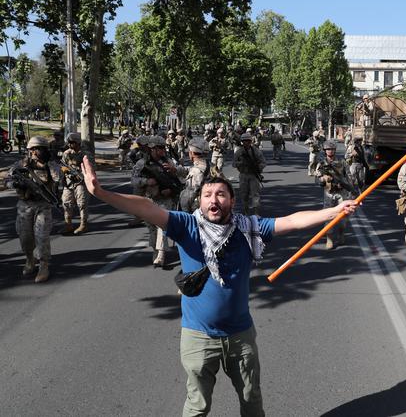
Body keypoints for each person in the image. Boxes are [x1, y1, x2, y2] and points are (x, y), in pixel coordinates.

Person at [80, 155, 357, 417]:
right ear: (199, 201)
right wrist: (103, 194)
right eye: (208, 195)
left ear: (232, 200)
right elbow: (146, 207)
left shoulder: (249, 227)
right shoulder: (187, 226)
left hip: (240, 337)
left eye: (221, 195)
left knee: (251, 401)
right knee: (197, 406)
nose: (214, 201)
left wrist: (333, 210)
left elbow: (292, 221)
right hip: (198, 338)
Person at [5, 136, 63, 283]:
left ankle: (43, 265)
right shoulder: (22, 164)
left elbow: (58, 179)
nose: (35, 152)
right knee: (25, 237)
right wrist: (16, 184)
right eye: (33, 149)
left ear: (44, 149)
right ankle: (30, 259)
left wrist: (49, 168)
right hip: (25, 206)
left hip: (43, 205)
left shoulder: (51, 165)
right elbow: (7, 179)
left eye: (38, 149)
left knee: (42, 236)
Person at [132, 135, 183, 267]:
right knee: (152, 227)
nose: (162, 150)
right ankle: (156, 250)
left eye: (163, 148)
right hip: (149, 199)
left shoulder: (169, 162)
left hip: (165, 199)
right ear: (152, 149)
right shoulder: (142, 163)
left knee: (162, 225)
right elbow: (134, 180)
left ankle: (161, 254)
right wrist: (146, 181)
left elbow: (180, 180)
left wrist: (170, 190)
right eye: (159, 148)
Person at [315, 140, 354, 249]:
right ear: (325, 151)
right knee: (328, 216)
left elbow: (349, 176)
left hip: (342, 192)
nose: (330, 151)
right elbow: (317, 178)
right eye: (328, 149)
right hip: (329, 193)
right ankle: (330, 238)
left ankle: (341, 233)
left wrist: (350, 189)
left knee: (343, 216)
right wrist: (323, 179)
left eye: (332, 149)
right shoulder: (322, 163)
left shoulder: (342, 162)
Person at [61, 133, 94, 235]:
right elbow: (62, 165)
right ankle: (68, 225)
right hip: (69, 182)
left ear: (78, 142)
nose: (70, 144)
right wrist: (65, 171)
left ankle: (83, 225)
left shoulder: (85, 154)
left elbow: (92, 168)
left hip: (81, 181)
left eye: (72, 142)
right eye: (69, 142)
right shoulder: (66, 153)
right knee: (66, 203)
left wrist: (79, 172)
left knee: (82, 203)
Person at [179, 137, 215, 214]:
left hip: (197, 211)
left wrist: (184, 213)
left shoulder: (196, 171)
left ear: (191, 153)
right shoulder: (211, 165)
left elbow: (188, 197)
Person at [233, 133, 266, 216]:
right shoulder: (239, 152)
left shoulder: (256, 151)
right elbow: (234, 164)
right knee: (244, 195)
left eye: (248, 141)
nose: (246, 143)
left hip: (253, 175)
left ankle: (256, 214)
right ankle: (246, 213)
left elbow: (263, 162)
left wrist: (258, 168)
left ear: (250, 141)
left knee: (255, 194)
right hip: (243, 175)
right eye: (244, 141)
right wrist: (241, 163)